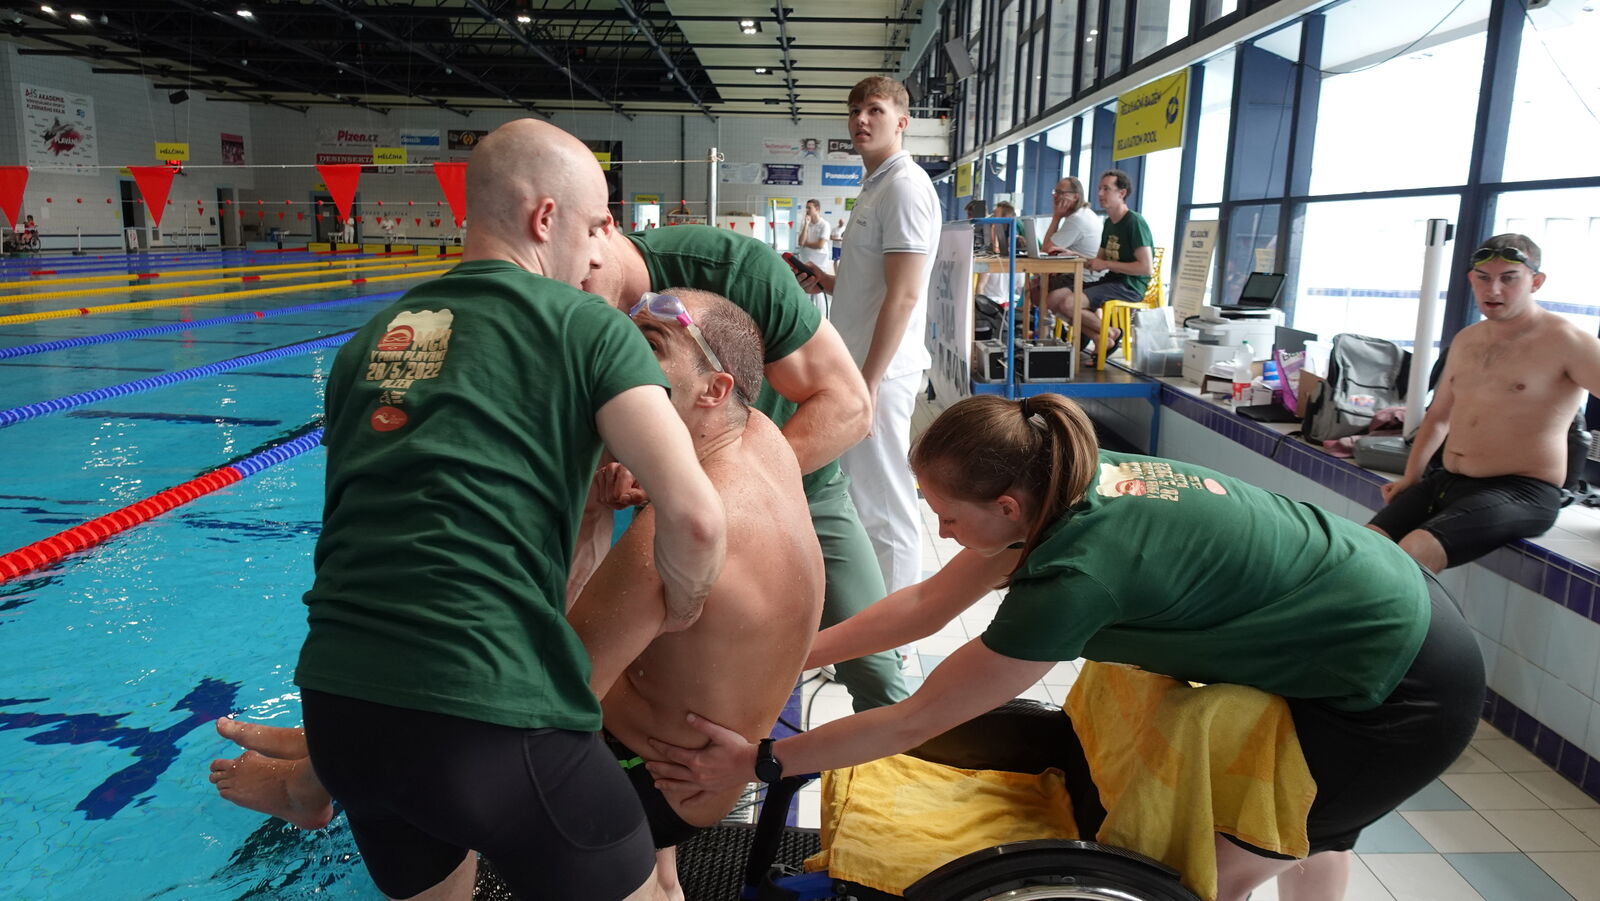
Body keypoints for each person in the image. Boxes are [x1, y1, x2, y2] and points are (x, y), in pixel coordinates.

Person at [646, 393, 1485, 901]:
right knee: (1313, 832)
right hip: (1380, 606)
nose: (941, 531)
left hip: (1405, 685)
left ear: (1008, 507)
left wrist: (762, 762)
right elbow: (925, 605)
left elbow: (915, 718)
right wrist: (791, 656)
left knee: (1215, 875)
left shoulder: (1077, 573)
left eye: (948, 516)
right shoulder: (1060, 474)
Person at [213, 289, 824, 901]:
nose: (623, 363)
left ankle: (316, 772)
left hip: (654, 777)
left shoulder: (675, 533)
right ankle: (321, 758)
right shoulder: (762, 439)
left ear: (714, 389)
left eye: (649, 346)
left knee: (440, 702)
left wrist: (583, 521)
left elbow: (554, 691)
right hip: (707, 764)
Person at [289, 119, 726, 901]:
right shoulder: (588, 326)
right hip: (488, 709)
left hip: (338, 713)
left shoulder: (367, 343)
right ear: (544, 217)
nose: (599, 255)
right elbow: (695, 517)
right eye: (595, 227)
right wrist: (685, 599)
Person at [582, 223, 908, 712]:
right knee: (676, 668)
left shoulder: (735, 271)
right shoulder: (568, 308)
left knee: (875, 669)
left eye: (651, 346)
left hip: (803, 482)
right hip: (677, 491)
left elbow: (850, 408)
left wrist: (736, 489)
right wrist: (622, 469)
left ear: (598, 227)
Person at [1369, 234, 1600, 571]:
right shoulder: (1467, 340)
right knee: (1363, 549)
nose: (1493, 290)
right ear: (1471, 279)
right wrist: (1411, 477)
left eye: (1509, 278)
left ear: (1536, 282)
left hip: (1523, 490)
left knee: (1416, 550)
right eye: (1484, 278)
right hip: (1447, 480)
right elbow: (1438, 417)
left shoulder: (1568, 341)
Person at [792, 75, 940, 597]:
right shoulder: (876, 185)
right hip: (858, 365)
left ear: (901, 121)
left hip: (881, 371)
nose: (861, 119)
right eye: (855, 109)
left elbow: (905, 294)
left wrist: (870, 383)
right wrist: (829, 281)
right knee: (861, 497)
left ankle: (894, 629)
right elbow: (875, 283)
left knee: (885, 502)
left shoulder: (904, 187)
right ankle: (871, 611)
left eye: (874, 109)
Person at [1046, 169, 1154, 360]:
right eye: (1099, 189)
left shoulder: (1134, 222)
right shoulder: (1110, 223)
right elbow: (1098, 262)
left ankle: (1111, 333)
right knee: (1054, 298)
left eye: (1106, 189)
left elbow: (1145, 268)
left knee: (1069, 304)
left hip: (1129, 285)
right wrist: (1073, 254)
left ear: (1122, 193)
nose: (1100, 194)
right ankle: (1101, 337)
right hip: (1110, 279)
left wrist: (1106, 264)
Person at [1038, 176, 1103, 302]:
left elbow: (1046, 250)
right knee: (1042, 281)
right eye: (1055, 192)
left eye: (1061, 193)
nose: (1055, 196)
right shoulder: (1085, 213)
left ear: (1076, 197)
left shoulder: (1076, 220)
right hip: (1088, 274)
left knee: (1037, 288)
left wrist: (1056, 217)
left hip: (1086, 277)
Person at [796, 199, 834, 315]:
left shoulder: (824, 224)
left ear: (817, 209)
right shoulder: (805, 223)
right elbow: (801, 242)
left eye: (809, 208)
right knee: (806, 290)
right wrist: (806, 224)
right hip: (805, 261)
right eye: (806, 208)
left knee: (818, 291)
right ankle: (806, 314)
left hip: (819, 262)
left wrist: (806, 243)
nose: (807, 210)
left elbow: (820, 245)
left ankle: (821, 315)